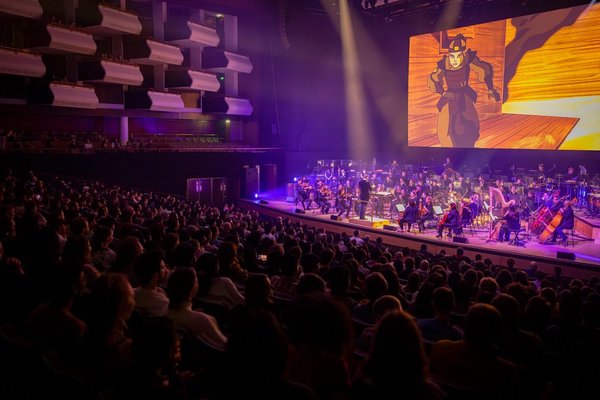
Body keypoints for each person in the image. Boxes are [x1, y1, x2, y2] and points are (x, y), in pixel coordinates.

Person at [428, 34, 500, 147]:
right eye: (452, 56)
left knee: (470, 126)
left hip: (464, 95)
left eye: (458, 56)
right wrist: (442, 92)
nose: (455, 60)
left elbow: (485, 68)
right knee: (445, 132)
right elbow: (433, 77)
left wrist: (490, 88)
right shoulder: (444, 63)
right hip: (449, 97)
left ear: (464, 54)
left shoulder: (468, 59)